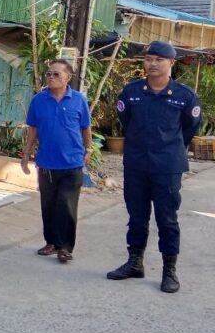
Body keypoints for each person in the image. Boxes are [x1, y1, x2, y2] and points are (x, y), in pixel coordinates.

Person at [107, 41, 201, 293]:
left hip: (167, 166)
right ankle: (135, 263)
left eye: (159, 59)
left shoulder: (185, 96)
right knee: (137, 216)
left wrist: (170, 148)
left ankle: (169, 270)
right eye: (149, 59)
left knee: (167, 218)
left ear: (172, 63)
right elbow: (126, 120)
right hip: (137, 163)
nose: (153, 64)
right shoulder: (131, 92)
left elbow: (190, 128)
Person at [20, 59, 92, 264]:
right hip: (47, 164)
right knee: (49, 205)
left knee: (66, 206)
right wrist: (26, 154)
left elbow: (85, 128)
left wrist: (88, 149)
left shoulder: (78, 100)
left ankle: (65, 247)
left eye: (56, 74)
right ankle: (51, 242)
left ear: (68, 77)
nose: (51, 77)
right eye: (49, 74)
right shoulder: (38, 100)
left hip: (72, 163)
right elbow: (33, 130)